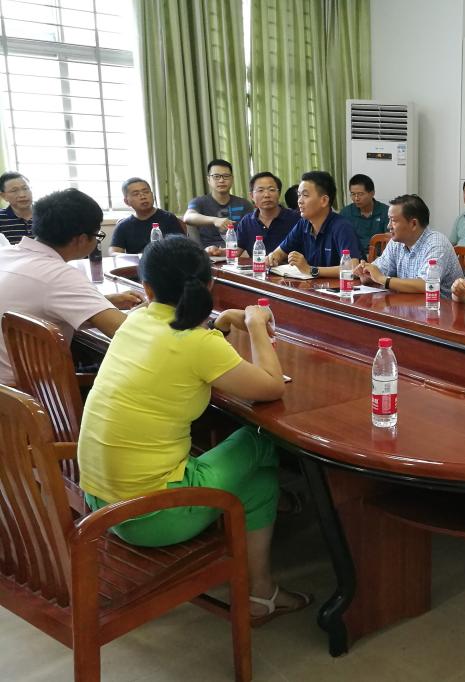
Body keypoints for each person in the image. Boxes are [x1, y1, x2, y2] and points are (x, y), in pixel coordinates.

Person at [76, 236, 310, 622]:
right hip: (152, 515)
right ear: (210, 284)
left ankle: (262, 590)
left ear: (147, 289)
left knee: (259, 482)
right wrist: (255, 325)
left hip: (102, 504)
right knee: (261, 441)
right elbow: (271, 387)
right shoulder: (197, 342)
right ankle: (273, 561)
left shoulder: (135, 320)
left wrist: (218, 324)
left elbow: (182, 347)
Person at [0, 188, 141, 386]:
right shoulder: (59, 275)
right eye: (97, 235)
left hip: (9, 390)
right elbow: (126, 333)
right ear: (81, 239)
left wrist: (105, 302)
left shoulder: (7, 254)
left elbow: (39, 302)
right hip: (33, 392)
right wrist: (151, 310)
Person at [354, 194, 461, 296]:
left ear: (413, 224)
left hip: (439, 306)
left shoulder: (436, 244)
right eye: (389, 220)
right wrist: (367, 273)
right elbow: (379, 271)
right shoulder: (396, 243)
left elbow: (426, 285)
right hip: (409, 303)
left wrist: (382, 279)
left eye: (393, 221)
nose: (388, 226)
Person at [267, 171, 361, 277]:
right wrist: (273, 257)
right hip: (312, 285)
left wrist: (311, 270)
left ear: (324, 200)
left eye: (305, 195)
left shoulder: (342, 227)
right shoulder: (303, 223)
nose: (299, 201)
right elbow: (280, 252)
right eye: (299, 195)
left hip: (340, 286)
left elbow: (352, 268)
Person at [213, 172, 299, 258]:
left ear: (279, 193)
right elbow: (236, 251)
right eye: (260, 190)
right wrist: (218, 252)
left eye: (272, 190)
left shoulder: (295, 219)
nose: (266, 195)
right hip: (258, 266)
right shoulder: (247, 222)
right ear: (252, 196)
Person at [183, 159, 253, 249]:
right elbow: (188, 217)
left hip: (236, 252)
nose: (221, 180)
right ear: (209, 179)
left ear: (232, 179)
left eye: (226, 176)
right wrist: (215, 220)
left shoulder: (244, 204)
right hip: (208, 253)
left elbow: (251, 233)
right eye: (216, 176)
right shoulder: (199, 202)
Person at [109, 177, 184, 254]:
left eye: (146, 192)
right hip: (137, 261)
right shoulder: (123, 225)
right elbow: (114, 252)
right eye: (136, 194)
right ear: (126, 201)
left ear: (153, 195)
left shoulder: (168, 218)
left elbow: (182, 246)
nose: (143, 197)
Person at [340, 174, 389, 256]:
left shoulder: (386, 211)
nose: (356, 198)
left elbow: (390, 239)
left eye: (360, 194)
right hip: (355, 256)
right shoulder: (346, 213)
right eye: (353, 194)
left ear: (372, 193)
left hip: (379, 257)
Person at [0, 172, 33, 244]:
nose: (22, 195)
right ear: (3, 196)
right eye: (14, 190)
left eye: (25, 188)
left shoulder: (47, 214)